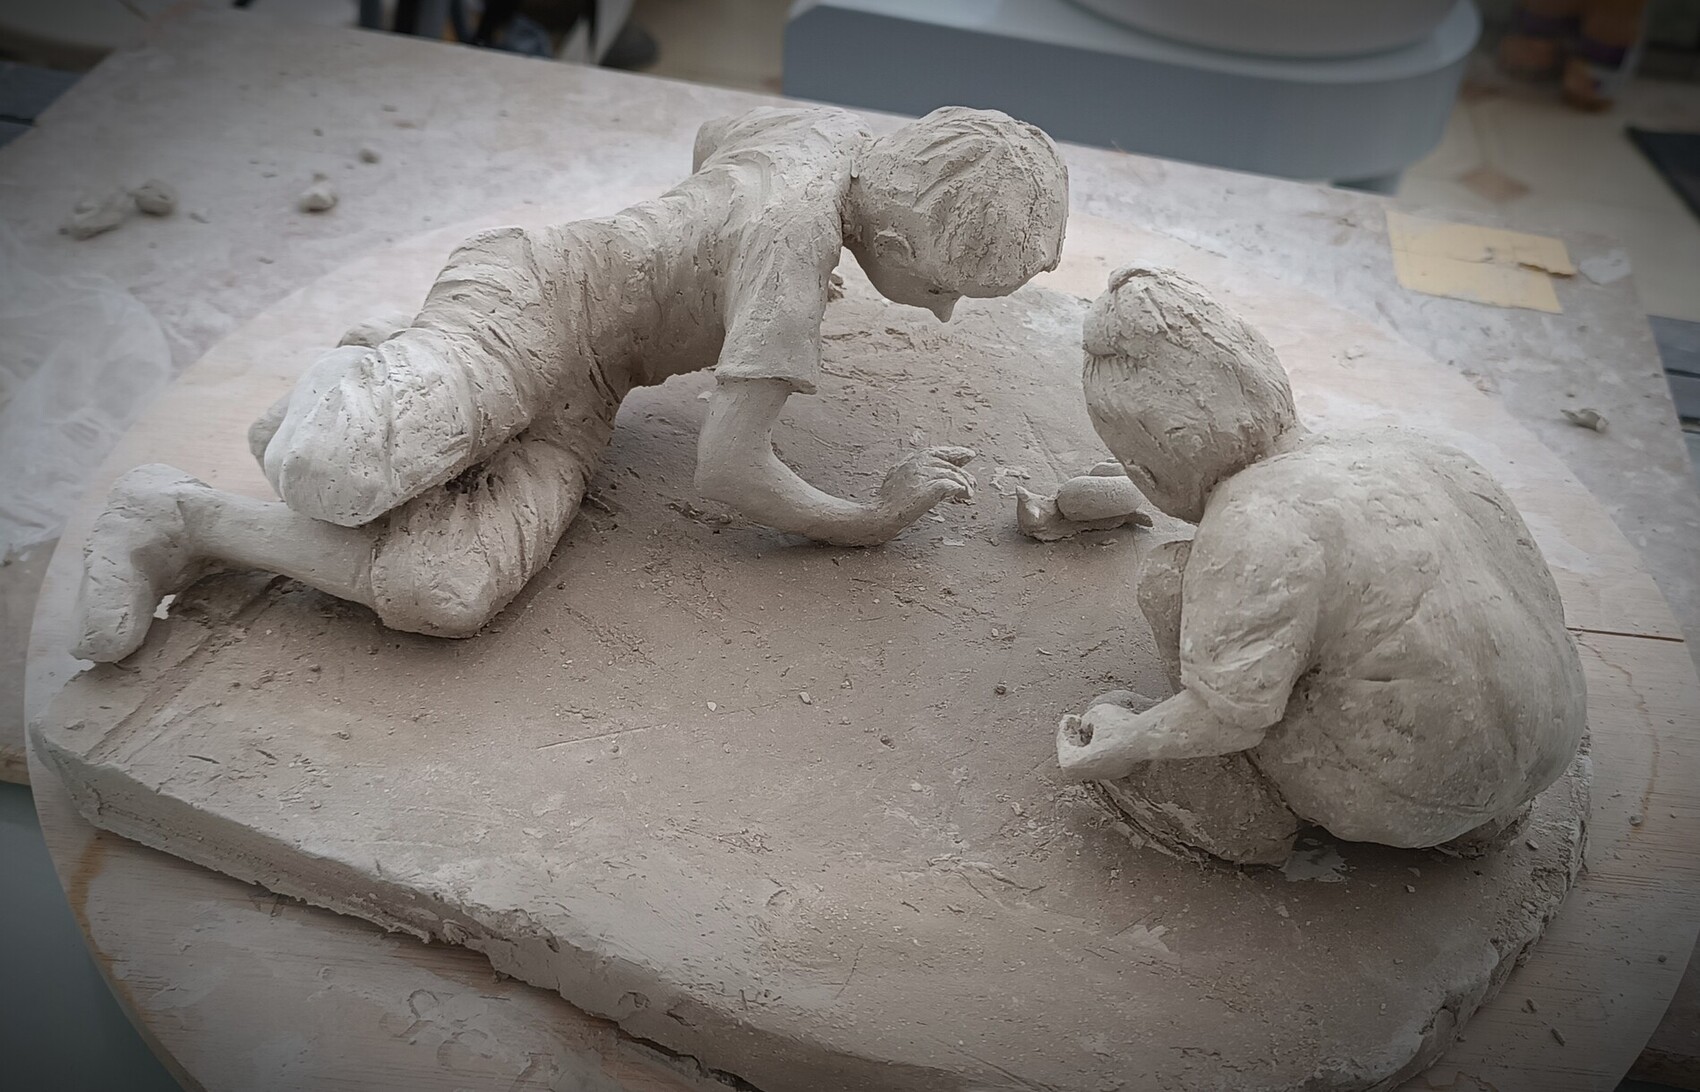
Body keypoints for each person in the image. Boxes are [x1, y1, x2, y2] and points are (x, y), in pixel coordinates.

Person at [75, 105, 1069, 661]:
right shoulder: (792, 249)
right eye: (940, 289)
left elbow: (713, 138)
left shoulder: (829, 133)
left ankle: (182, 518)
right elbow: (727, 470)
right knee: (329, 472)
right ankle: (376, 366)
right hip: (528, 302)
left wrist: (708, 263)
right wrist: (871, 517)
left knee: (440, 593)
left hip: (591, 391)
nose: (941, 313)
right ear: (891, 235)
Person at [1054, 267, 1586, 865]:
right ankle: (1482, 814)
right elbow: (1539, 597)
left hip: (1405, 797)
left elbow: (1231, 719)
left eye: (1135, 462)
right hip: (1549, 737)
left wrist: (1128, 740)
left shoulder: (1256, 518)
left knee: (1168, 583)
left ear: (1160, 454)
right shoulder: (1410, 446)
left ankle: (1244, 809)